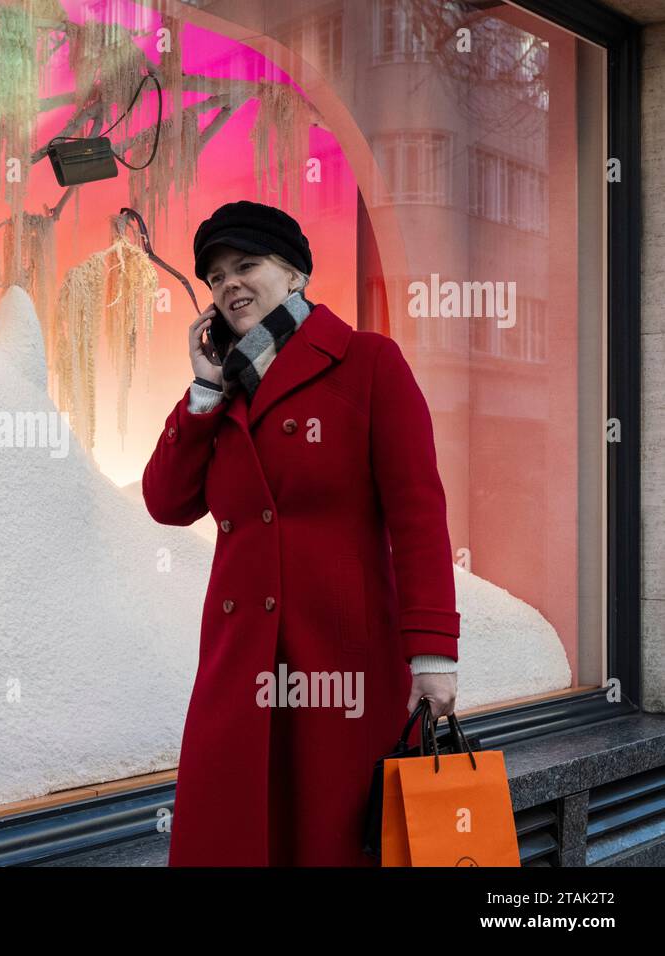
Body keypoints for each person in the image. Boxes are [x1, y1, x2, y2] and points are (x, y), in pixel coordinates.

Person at [142, 200, 460, 866]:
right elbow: (167, 503)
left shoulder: (368, 364)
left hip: (338, 665)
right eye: (216, 275)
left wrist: (432, 654)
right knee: (234, 838)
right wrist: (201, 394)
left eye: (246, 264)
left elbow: (419, 514)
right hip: (240, 667)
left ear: (294, 273)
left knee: (324, 840)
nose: (229, 285)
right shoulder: (223, 390)